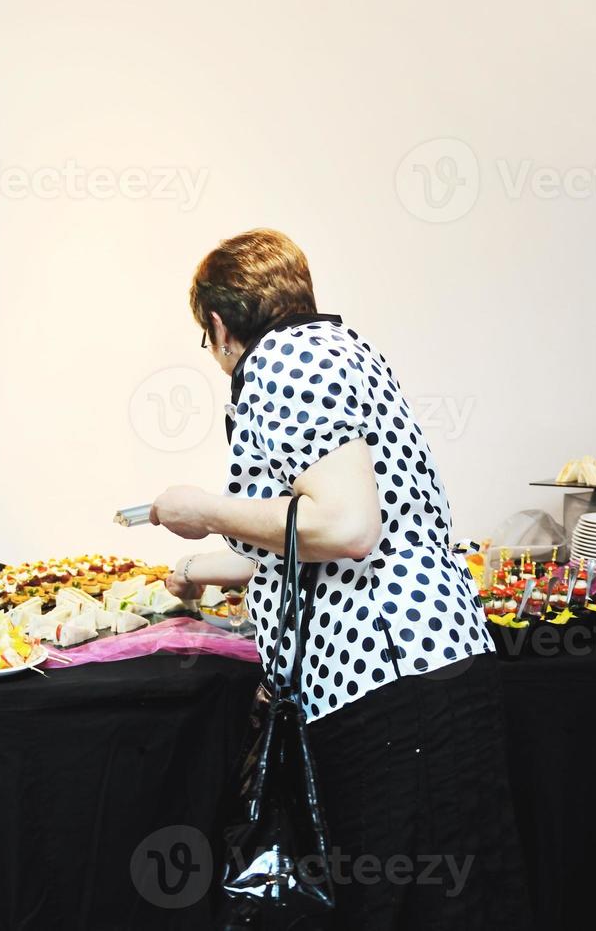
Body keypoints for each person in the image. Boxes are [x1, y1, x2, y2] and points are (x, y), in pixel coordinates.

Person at [149, 229, 529, 930]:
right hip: (429, 664)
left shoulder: (284, 361)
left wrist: (199, 509)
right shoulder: (340, 349)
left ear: (218, 325)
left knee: (409, 903)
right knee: (458, 897)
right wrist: (202, 570)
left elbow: (348, 528)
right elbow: (307, 535)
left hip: (388, 678)